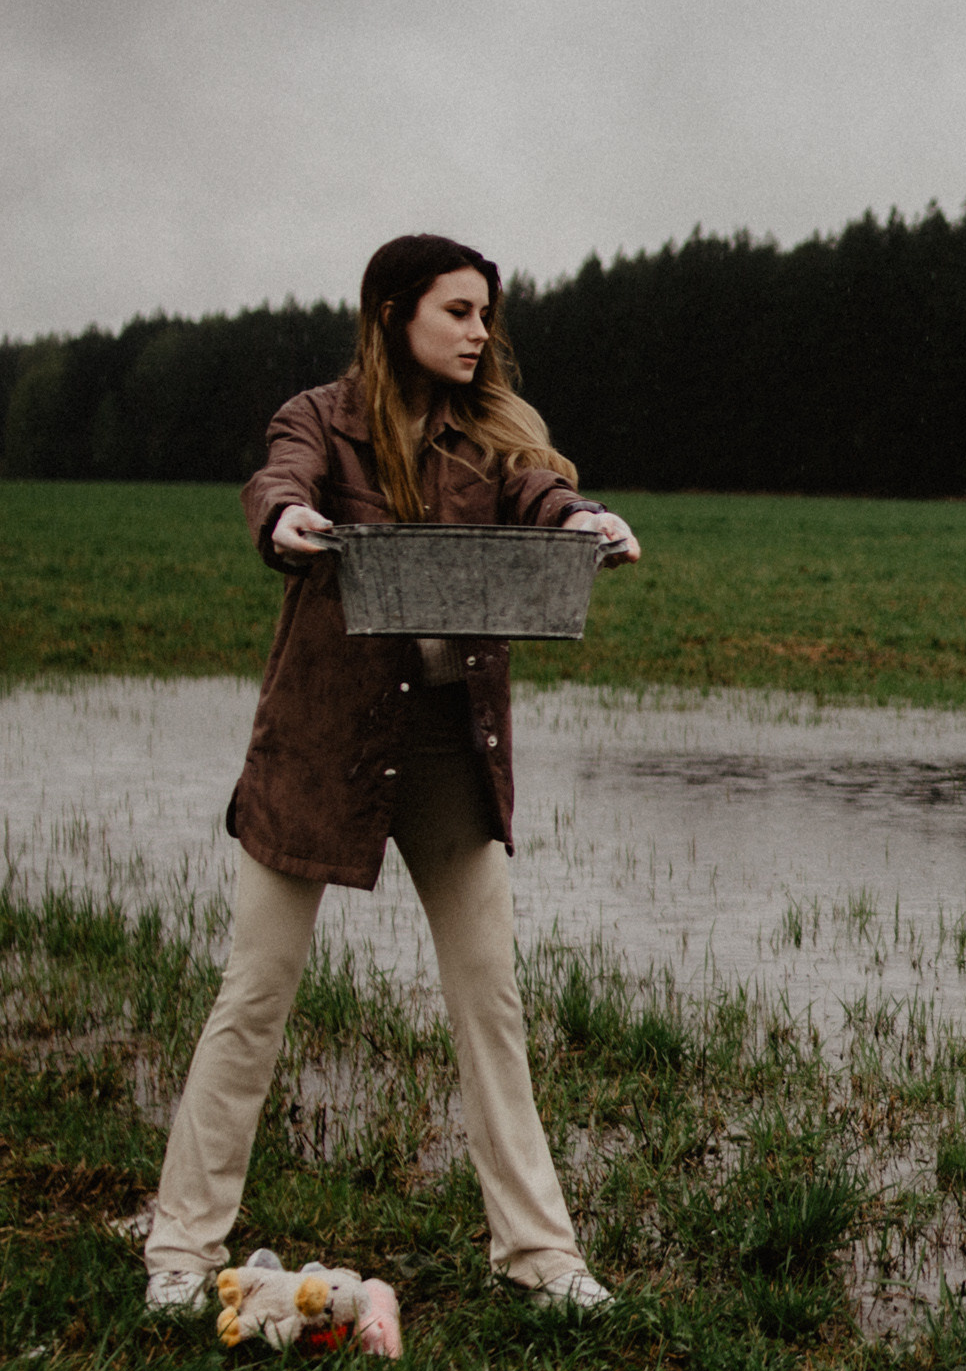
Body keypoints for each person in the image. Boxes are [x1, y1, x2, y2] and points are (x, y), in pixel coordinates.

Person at [143, 234, 639, 1315]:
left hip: (451, 746)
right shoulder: (318, 418)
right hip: (321, 747)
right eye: (458, 312)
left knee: (489, 1000)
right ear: (390, 313)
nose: (478, 334)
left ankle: (541, 1258)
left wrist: (587, 525)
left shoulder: (497, 433)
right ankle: (180, 1255)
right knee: (255, 993)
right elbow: (276, 484)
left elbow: (544, 499)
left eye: (485, 317)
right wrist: (287, 520)